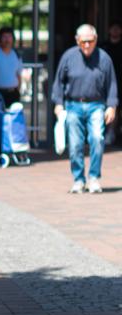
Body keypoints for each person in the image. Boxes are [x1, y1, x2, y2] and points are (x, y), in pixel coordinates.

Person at [51, 24, 118, 194]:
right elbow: (59, 82)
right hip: (73, 105)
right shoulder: (68, 57)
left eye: (90, 41)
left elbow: (111, 83)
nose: (87, 45)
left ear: (95, 39)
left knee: (97, 139)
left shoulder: (104, 58)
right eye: (83, 41)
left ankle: (94, 177)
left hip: (96, 105)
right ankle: (79, 179)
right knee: (75, 144)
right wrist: (58, 102)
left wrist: (112, 106)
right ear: (77, 40)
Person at [103, 22, 122, 146]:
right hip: (107, 82)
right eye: (113, 28)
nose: (115, 31)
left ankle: (114, 132)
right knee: (108, 108)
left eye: (117, 28)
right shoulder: (104, 46)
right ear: (109, 30)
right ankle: (109, 133)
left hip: (120, 81)